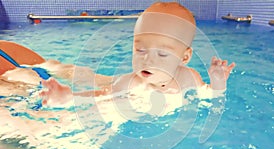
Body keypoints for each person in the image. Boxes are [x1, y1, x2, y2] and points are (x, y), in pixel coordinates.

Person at [40, 2, 235, 106]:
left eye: (162, 54)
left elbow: (210, 95)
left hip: (119, 81)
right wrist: (69, 96)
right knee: (93, 79)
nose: (148, 59)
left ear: (184, 58)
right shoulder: (131, 83)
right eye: (140, 50)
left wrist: (219, 81)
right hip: (121, 84)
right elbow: (101, 95)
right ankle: (53, 65)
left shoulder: (189, 77)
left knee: (100, 78)